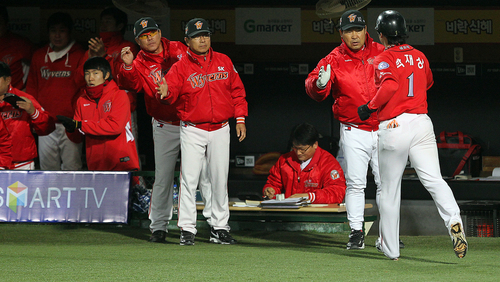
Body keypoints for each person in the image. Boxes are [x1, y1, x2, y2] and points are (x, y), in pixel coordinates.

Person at [358, 10, 467, 260]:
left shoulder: (383, 58)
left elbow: (390, 85)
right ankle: (453, 222)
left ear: (382, 34)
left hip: (395, 126)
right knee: (434, 180)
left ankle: (391, 249)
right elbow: (427, 82)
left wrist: (369, 107)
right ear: (404, 32)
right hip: (421, 123)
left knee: (389, 189)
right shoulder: (419, 56)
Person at [117, 17, 211, 243]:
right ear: (138, 41)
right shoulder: (138, 62)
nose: (149, 38)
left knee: (204, 176)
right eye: (143, 36)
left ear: (160, 32)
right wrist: (128, 66)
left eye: (152, 33)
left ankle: (214, 224)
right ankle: (158, 226)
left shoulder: (179, 48)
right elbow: (130, 84)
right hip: (164, 124)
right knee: (163, 177)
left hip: (192, 122)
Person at [158, 18, 248, 246]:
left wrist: (240, 118)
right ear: (187, 40)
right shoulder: (180, 67)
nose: (202, 39)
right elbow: (170, 95)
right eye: (197, 36)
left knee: (219, 179)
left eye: (205, 35)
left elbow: (237, 92)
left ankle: (219, 228)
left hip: (220, 128)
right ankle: (187, 229)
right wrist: (166, 92)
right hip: (193, 129)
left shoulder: (224, 61)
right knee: (189, 180)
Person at [305, 10, 385, 250]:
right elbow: (312, 86)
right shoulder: (333, 58)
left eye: (358, 29)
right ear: (341, 33)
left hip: (383, 128)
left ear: (366, 30)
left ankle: (389, 233)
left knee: (386, 183)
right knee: (355, 183)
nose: (354, 35)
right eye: (349, 31)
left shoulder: (382, 52)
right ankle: (356, 232)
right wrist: (319, 84)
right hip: (353, 129)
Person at [26, 12, 86, 170]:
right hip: (46, 123)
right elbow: (31, 89)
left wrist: (79, 118)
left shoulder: (80, 55)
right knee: (47, 170)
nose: (57, 35)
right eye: (53, 30)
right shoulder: (39, 56)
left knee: (72, 168)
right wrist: (35, 118)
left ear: (70, 32)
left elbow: (84, 88)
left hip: (71, 123)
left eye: (62, 30)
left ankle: (73, 196)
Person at [57, 57, 139, 171]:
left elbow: (115, 127)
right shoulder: (82, 100)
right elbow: (77, 138)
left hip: (121, 162)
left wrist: (80, 125)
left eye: (95, 73)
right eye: (87, 73)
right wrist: (70, 129)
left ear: (106, 75)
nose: (90, 78)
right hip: (95, 164)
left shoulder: (119, 95)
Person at [83, 7, 141, 149]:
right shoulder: (93, 48)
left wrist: (104, 56)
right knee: (100, 152)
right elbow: (78, 80)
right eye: (101, 21)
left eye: (108, 21)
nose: (103, 25)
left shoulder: (128, 47)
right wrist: (92, 57)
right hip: (96, 108)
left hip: (122, 108)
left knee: (126, 152)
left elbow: (124, 79)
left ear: (120, 25)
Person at [263, 123, 346, 204]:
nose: (298, 153)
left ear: (315, 145)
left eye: (302, 149)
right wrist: (270, 190)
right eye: (295, 148)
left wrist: (310, 197)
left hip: (317, 214)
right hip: (289, 212)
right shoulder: (285, 160)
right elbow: (274, 182)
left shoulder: (328, 163)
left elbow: (337, 192)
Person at [0, 62, 55, 170]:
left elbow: (47, 128)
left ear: (8, 80)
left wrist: (33, 112)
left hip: (22, 164)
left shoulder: (24, 99)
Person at [0, 6, 35, 91]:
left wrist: (28, 90)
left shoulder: (20, 44)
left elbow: (41, 65)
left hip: (12, 99)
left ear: (6, 24)